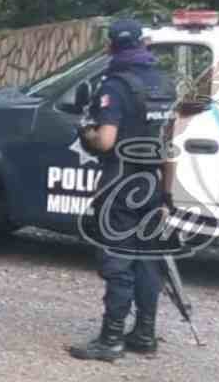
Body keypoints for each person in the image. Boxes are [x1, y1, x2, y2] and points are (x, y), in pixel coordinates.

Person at [68, 18, 174, 362]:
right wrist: (167, 195)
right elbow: (170, 147)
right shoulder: (164, 83)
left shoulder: (114, 85)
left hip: (119, 186)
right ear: (142, 44)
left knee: (118, 263)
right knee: (147, 262)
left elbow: (106, 140)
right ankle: (144, 334)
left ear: (111, 46)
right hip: (153, 186)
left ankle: (110, 340)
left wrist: (87, 133)